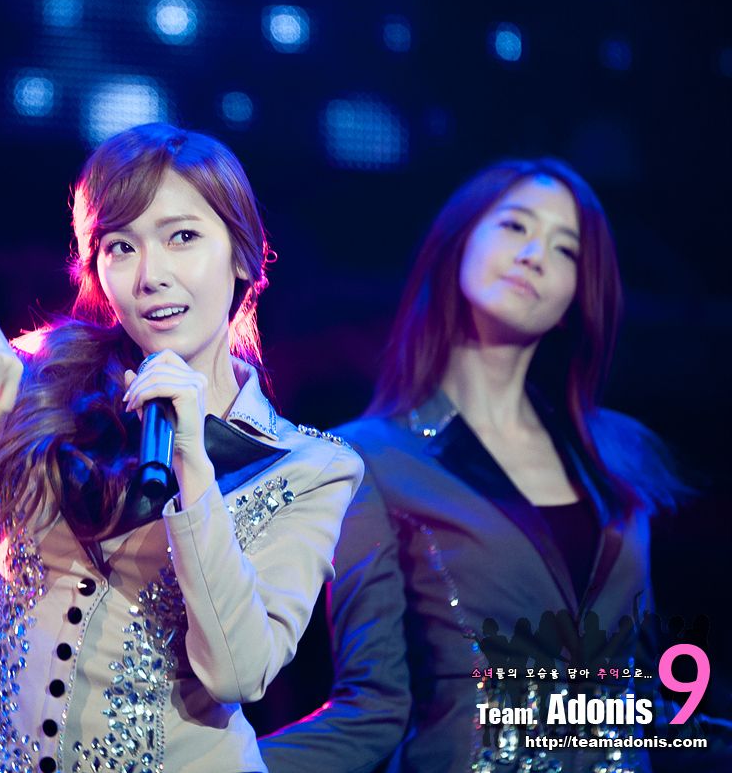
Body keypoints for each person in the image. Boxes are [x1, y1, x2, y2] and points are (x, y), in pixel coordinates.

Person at [0, 123, 363, 773]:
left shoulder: (309, 468)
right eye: (121, 247)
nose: (151, 276)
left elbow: (237, 672)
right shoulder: (37, 391)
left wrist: (193, 464)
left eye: (183, 237)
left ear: (243, 256)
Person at [258, 158, 686, 773]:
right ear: (458, 244)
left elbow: (649, 692)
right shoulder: (367, 461)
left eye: (566, 249)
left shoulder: (621, 451)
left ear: (575, 295)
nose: (535, 255)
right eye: (516, 226)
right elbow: (372, 709)